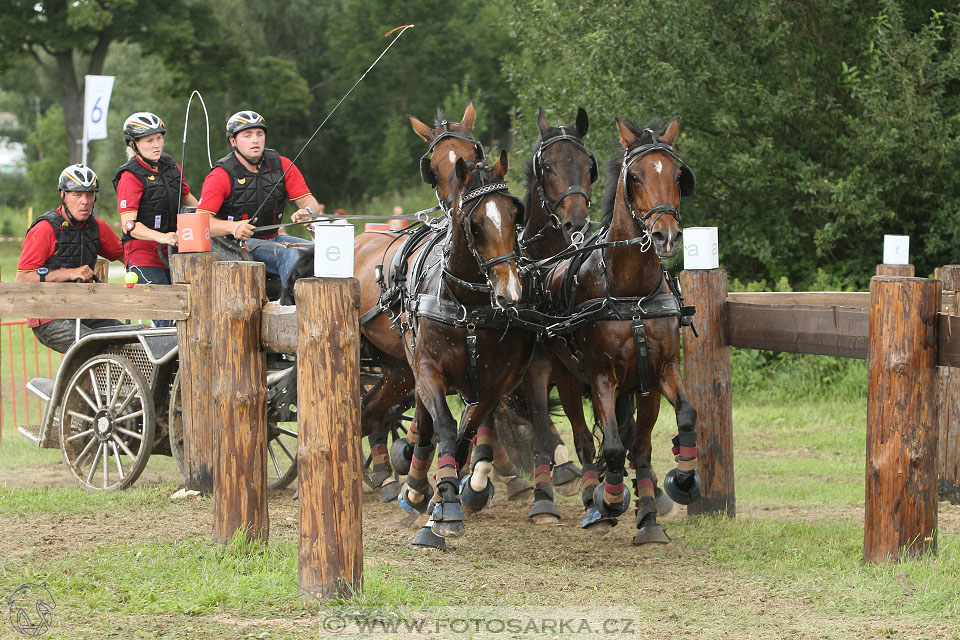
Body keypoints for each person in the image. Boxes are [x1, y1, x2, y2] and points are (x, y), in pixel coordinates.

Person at [197, 110, 324, 288]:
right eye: (247, 135)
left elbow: (310, 201)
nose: (255, 140)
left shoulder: (283, 165)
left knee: (322, 251)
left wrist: (307, 211)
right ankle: (292, 310)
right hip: (234, 245)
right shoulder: (220, 175)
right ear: (233, 141)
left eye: (259, 134)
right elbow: (200, 222)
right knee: (290, 255)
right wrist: (233, 227)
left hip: (274, 238)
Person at [16, 164, 126, 353]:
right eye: (77, 195)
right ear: (63, 195)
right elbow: (23, 278)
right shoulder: (45, 229)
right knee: (91, 345)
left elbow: (127, 256)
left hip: (83, 310)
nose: (84, 201)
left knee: (128, 338)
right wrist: (70, 273)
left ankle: (107, 383)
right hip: (48, 315)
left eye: (89, 195)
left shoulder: (97, 227)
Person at [113, 112, 199, 326]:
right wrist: (164, 237)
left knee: (195, 312)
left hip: (175, 253)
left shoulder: (171, 167)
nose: (156, 144)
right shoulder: (130, 176)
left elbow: (191, 202)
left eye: (159, 138)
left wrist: (212, 218)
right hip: (144, 257)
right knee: (168, 318)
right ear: (134, 144)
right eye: (149, 140)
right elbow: (129, 225)